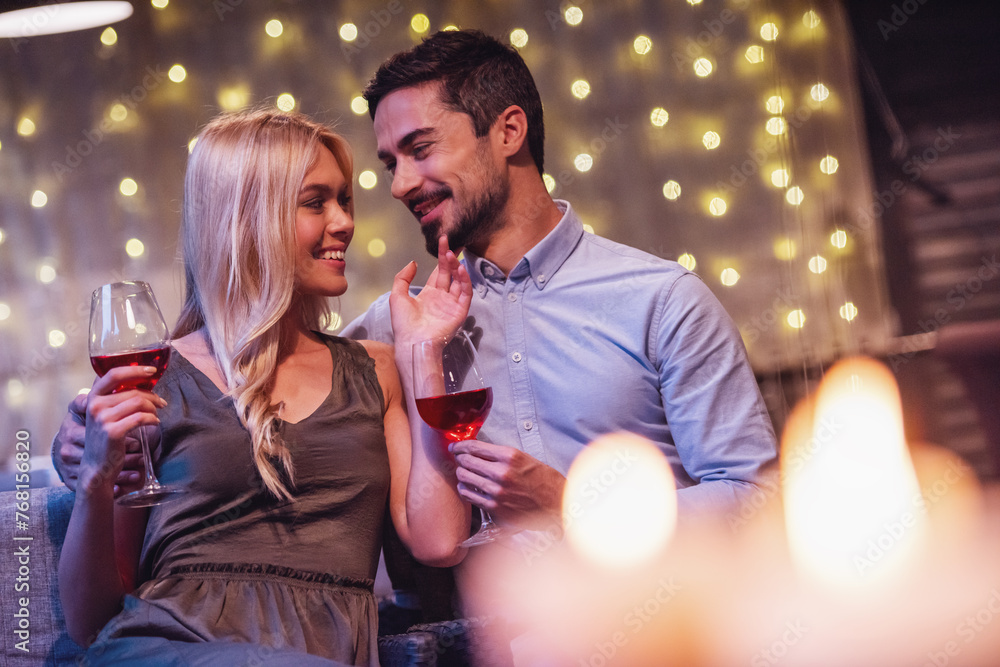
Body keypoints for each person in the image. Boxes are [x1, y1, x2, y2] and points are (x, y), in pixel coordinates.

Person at [58, 109, 473, 666]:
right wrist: (93, 483)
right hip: (168, 647)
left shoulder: (374, 371)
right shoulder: (157, 378)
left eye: (344, 199)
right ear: (246, 217)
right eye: (315, 201)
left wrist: (423, 348)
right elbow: (91, 624)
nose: (345, 221)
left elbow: (440, 540)